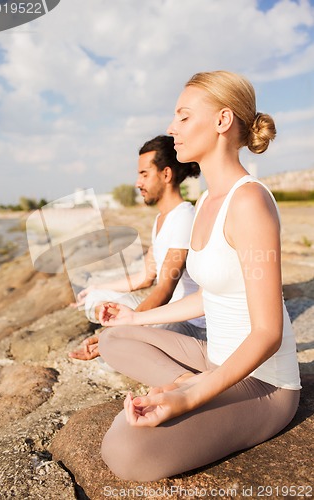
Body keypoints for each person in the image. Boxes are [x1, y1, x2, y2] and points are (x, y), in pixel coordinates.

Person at [97, 71, 301, 481]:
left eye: (184, 116)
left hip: (264, 383)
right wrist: (134, 318)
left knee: (124, 450)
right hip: (214, 357)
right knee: (112, 337)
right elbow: (216, 295)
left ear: (223, 121)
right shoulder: (207, 198)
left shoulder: (250, 202)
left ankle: (190, 384)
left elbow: (268, 332)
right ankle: (184, 377)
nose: (172, 128)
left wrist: (189, 398)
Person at [69, 135, 206, 361]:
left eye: (144, 174)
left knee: (115, 355)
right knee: (97, 297)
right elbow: (144, 277)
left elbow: (164, 290)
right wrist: (95, 287)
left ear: (166, 174)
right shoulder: (162, 219)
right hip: (165, 312)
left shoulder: (184, 218)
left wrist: (118, 331)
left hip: (186, 321)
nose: (137, 183)